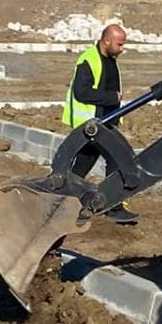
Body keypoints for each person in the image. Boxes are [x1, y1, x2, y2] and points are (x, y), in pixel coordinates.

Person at [62, 23, 137, 224]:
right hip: (92, 124)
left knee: (83, 164)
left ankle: (62, 199)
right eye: (120, 44)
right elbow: (82, 92)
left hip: (105, 122)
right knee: (116, 158)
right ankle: (113, 206)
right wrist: (112, 97)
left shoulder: (110, 60)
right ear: (107, 40)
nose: (123, 49)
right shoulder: (89, 60)